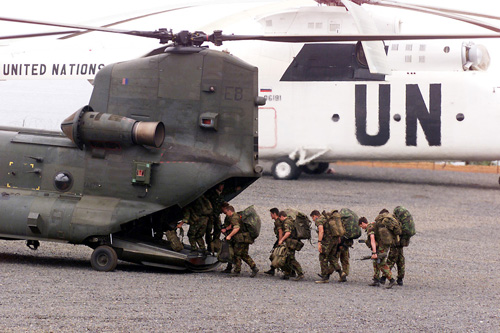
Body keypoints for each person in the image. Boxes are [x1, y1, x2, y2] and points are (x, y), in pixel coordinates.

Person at [358, 215, 396, 289]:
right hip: (382, 245)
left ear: (363, 223)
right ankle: (376, 280)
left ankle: (391, 279)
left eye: (361, 225)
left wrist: (374, 253)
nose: (361, 228)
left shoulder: (370, 228)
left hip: (382, 247)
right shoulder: (373, 224)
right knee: (376, 262)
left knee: (381, 263)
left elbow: (372, 239)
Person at [310, 210, 346, 283]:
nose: (313, 220)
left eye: (312, 218)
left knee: (323, 257)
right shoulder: (328, 217)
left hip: (327, 242)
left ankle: (324, 277)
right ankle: (341, 273)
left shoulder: (319, 220)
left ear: (315, 216)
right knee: (332, 257)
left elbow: (321, 231)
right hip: (335, 240)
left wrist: (319, 242)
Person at [223, 205, 259, 277]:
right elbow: (232, 225)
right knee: (244, 254)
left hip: (240, 239)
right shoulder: (237, 216)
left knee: (237, 254)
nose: (226, 214)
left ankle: (238, 270)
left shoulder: (234, 217)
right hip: (246, 238)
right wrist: (226, 229)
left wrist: (229, 236)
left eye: (226, 212)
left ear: (230, 211)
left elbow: (236, 228)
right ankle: (253, 267)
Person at [278, 211, 304, 281]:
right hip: (292, 242)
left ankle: (300, 273)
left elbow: (288, 233)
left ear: (281, 216)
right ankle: (288, 273)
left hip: (291, 243)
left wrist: (281, 240)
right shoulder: (291, 220)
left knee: (291, 259)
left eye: (279, 218)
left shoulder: (286, 222)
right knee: (288, 258)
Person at [385, 207, 407, 286]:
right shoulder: (399, 220)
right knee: (400, 260)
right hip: (401, 242)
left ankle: (384, 277)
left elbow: (396, 231)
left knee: (391, 259)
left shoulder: (390, 221)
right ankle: (400, 279)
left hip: (395, 243)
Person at [204, 183, 225, 253]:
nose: (222, 187)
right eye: (221, 185)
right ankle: (210, 245)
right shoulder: (211, 194)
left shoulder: (220, 194)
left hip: (217, 214)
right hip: (211, 215)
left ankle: (216, 244)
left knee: (218, 228)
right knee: (208, 230)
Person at [264, 207, 283, 276]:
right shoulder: (278, 221)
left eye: (271, 214)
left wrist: (280, 242)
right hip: (281, 239)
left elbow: (280, 231)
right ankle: (272, 269)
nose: (270, 215)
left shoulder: (278, 221)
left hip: (281, 240)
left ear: (274, 214)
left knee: (276, 254)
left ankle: (273, 270)